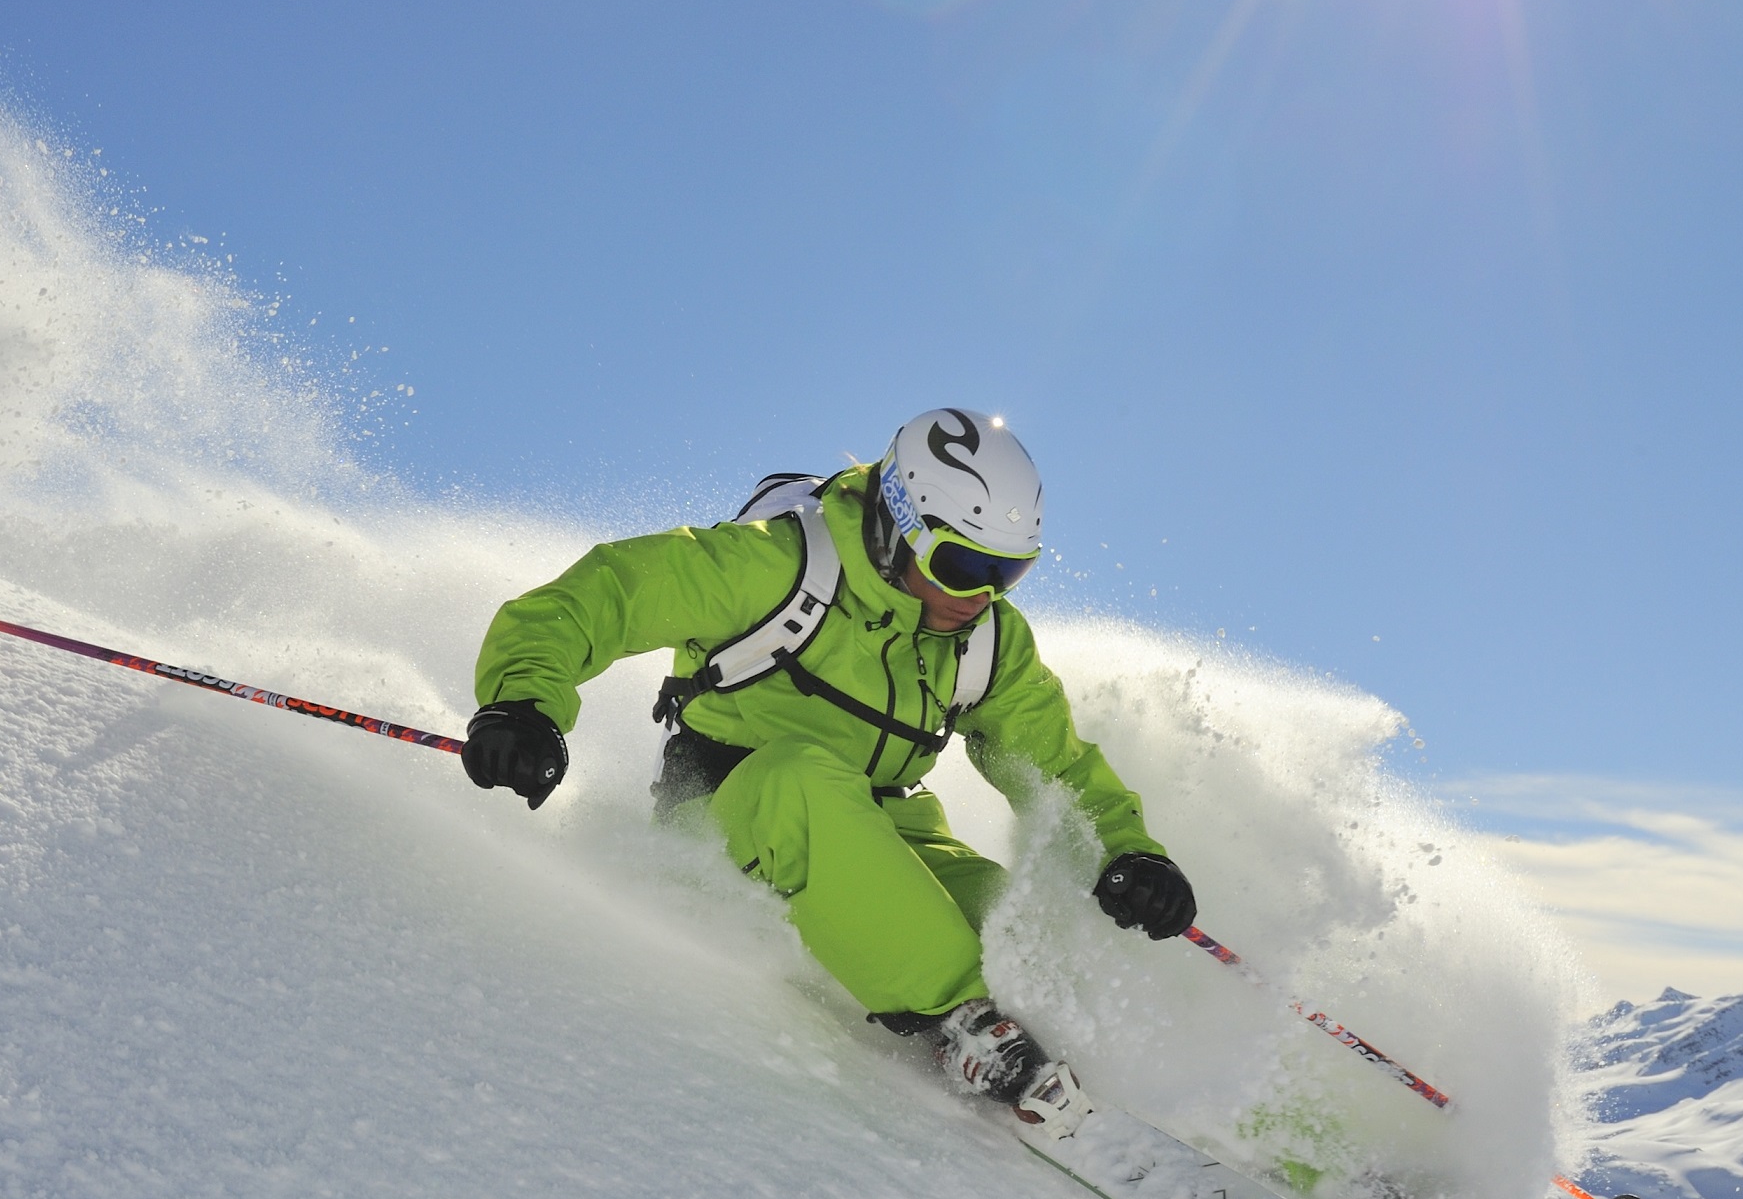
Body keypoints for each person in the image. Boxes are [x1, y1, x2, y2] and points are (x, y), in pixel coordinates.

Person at [461, 408, 1196, 1130]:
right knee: (804, 779)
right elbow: (604, 595)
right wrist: (522, 705)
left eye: (1008, 572)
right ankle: (967, 1023)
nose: (980, 595)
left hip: (881, 825)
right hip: (731, 818)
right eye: (963, 566)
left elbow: (1055, 763)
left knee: (1018, 925)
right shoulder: (776, 562)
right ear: (900, 523)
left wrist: (1128, 853)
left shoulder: (986, 639)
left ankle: (1132, 1077)